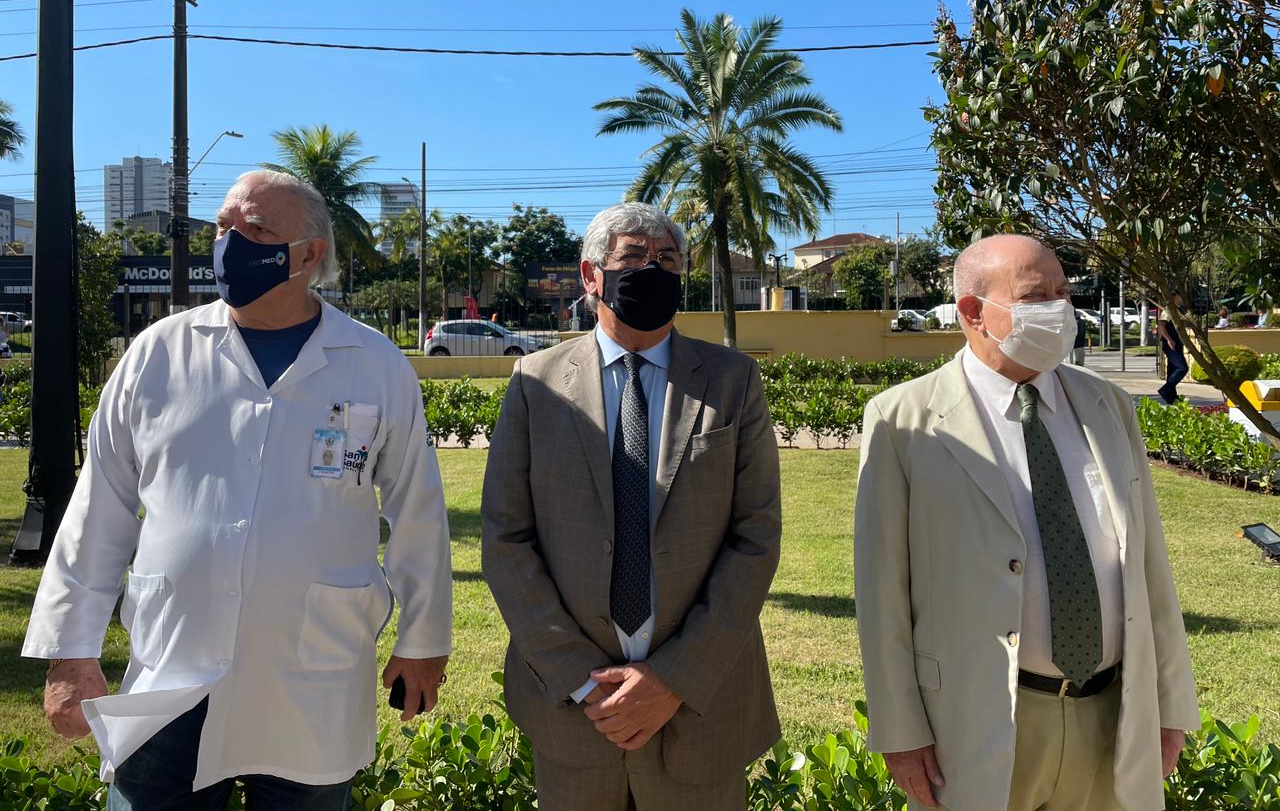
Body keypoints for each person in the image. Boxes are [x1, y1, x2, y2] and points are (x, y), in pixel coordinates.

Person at [24, 170, 453, 810]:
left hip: (311, 677)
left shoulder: (375, 364)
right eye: (223, 227)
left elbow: (418, 512)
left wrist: (422, 643)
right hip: (172, 677)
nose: (229, 244)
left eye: (255, 231)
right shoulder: (158, 353)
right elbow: (100, 506)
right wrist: (70, 652)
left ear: (309, 254)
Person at [854, 234, 1197, 811]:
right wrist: (900, 730)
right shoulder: (901, 420)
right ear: (972, 312)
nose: (1060, 310)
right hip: (977, 719)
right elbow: (881, 590)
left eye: (1064, 293)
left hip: (1113, 716)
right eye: (1038, 297)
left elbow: (1149, 565)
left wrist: (1170, 704)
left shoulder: (1109, 405)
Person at [482, 202, 781, 810]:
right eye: (634, 257)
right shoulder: (535, 382)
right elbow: (506, 539)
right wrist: (578, 678)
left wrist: (674, 678)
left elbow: (755, 539)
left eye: (667, 259)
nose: (653, 269)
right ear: (591, 275)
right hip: (576, 715)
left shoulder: (733, 380)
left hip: (701, 712)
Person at [1157, 295, 1189, 404]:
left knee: (1172, 369)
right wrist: (1169, 340)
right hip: (1171, 344)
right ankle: (1165, 390)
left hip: (1177, 344)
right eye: (1180, 297)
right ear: (1174, 298)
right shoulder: (1168, 310)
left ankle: (1171, 397)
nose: (1182, 300)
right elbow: (1161, 325)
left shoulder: (1179, 311)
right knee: (1182, 368)